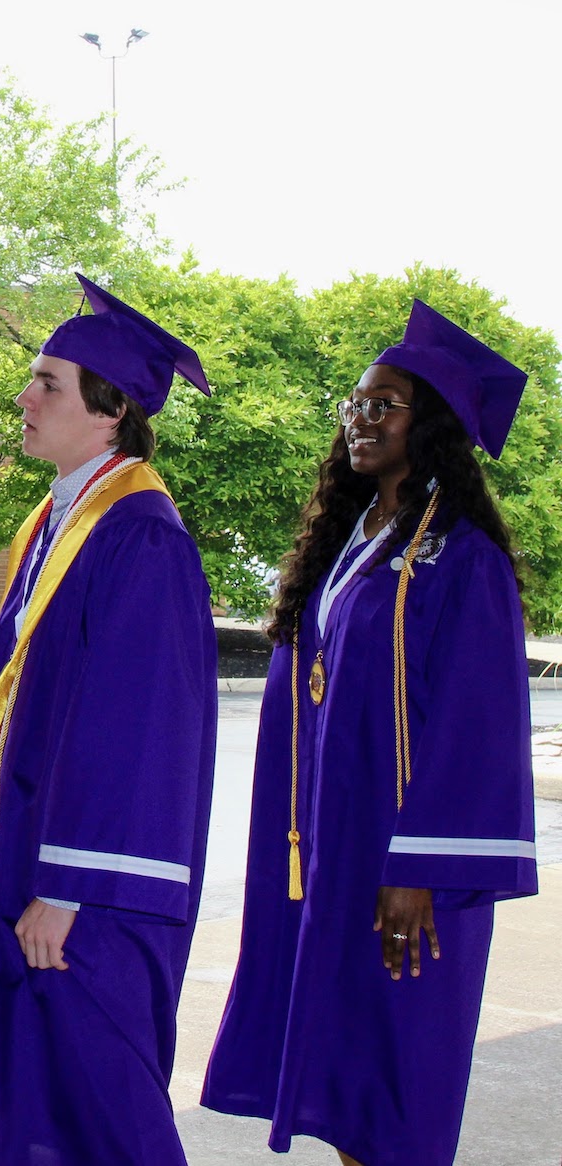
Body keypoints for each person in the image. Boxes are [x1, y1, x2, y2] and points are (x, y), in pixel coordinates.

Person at [200, 301, 539, 1166]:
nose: (360, 419)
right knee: (350, 1087)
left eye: (383, 404)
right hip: (336, 855)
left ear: (431, 427)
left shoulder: (463, 560)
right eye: (353, 404)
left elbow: (478, 732)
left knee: (398, 1091)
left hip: (407, 874)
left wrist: (421, 869)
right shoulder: (352, 545)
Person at [0, 274, 218, 1165]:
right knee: (35, 1108)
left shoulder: (142, 535)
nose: (25, 397)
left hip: (85, 893)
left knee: (103, 1113)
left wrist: (70, 887)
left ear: (109, 411)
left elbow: (140, 737)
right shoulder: (61, 520)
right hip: (21, 862)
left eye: (47, 383)